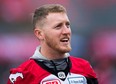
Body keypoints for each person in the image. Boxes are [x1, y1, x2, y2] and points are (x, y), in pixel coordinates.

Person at [7, 4, 98, 84]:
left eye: (67, 25)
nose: (66, 31)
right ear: (40, 34)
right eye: (58, 26)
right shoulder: (22, 75)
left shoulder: (84, 67)